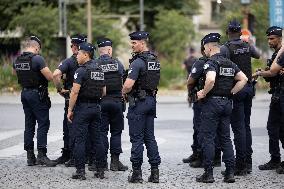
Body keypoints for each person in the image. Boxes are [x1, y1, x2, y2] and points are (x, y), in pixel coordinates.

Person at [196, 33, 248, 183]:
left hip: (212, 103)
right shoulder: (229, 63)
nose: (204, 51)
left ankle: (209, 174)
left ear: (209, 47)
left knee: (208, 138)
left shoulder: (211, 62)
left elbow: (211, 79)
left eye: (204, 48)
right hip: (226, 103)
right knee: (226, 138)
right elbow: (243, 79)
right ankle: (230, 173)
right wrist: (231, 92)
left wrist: (203, 93)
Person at [220, 19, 260, 175]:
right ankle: (248, 162)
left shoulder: (226, 48)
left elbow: (221, 67)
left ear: (227, 32)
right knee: (246, 125)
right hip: (249, 88)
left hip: (236, 89)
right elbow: (257, 55)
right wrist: (248, 42)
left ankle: (241, 165)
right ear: (240, 32)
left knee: (238, 128)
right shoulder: (246, 46)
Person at [122, 31, 161, 183]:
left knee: (137, 138)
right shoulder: (154, 61)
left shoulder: (138, 62)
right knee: (150, 137)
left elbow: (128, 85)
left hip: (138, 102)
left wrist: (123, 92)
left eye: (134, 43)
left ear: (142, 43)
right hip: (151, 101)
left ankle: (137, 173)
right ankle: (155, 172)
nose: (132, 46)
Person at [13, 36, 56, 167]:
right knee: (43, 123)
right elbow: (49, 77)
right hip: (37, 94)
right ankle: (42, 155)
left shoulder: (17, 59)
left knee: (29, 124)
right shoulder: (37, 59)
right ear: (36, 47)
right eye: (39, 49)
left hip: (24, 93)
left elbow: (15, 74)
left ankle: (30, 157)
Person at [67, 42, 106, 180]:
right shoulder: (99, 70)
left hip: (83, 108)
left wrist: (70, 109)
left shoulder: (81, 71)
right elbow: (104, 91)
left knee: (80, 140)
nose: (76, 56)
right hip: (96, 108)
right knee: (97, 140)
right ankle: (101, 170)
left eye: (78, 54)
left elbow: (74, 93)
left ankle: (80, 172)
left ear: (85, 54)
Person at [91, 37, 128, 172]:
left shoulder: (94, 64)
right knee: (116, 132)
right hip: (117, 102)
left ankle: (101, 163)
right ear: (110, 50)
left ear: (99, 51)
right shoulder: (117, 63)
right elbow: (124, 82)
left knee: (101, 133)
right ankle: (115, 162)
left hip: (101, 102)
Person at [184, 40, 221, 168]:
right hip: (219, 100)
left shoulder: (201, 62)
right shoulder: (222, 60)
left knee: (200, 128)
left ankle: (201, 156)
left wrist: (190, 94)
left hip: (202, 99)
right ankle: (215, 157)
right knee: (216, 130)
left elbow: (190, 81)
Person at [253, 27, 284, 174]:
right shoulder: (275, 55)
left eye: (272, 38)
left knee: (282, 129)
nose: (269, 41)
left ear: (280, 38)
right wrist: (264, 72)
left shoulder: (282, 54)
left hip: (282, 94)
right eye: (268, 38)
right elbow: (271, 75)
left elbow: (273, 72)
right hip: (277, 94)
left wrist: (260, 73)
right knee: (272, 128)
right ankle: (275, 159)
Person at [53, 34, 86, 165]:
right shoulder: (92, 61)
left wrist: (60, 90)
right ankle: (88, 156)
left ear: (74, 47)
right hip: (88, 101)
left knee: (69, 128)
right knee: (87, 129)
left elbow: (55, 75)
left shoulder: (69, 61)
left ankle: (70, 155)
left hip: (71, 100)